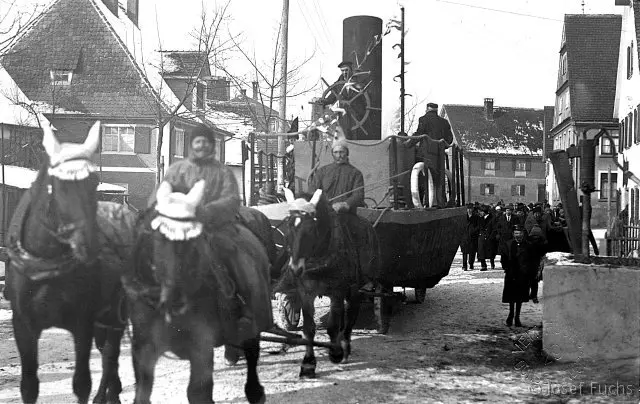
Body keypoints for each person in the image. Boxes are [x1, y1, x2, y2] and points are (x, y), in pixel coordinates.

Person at [149, 124, 270, 342]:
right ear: (191, 145)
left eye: (206, 141)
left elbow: (232, 199)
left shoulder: (221, 171)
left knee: (237, 259)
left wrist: (207, 211)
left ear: (212, 145)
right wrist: (154, 210)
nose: (202, 145)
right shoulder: (178, 170)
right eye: (198, 141)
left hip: (216, 227)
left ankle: (245, 306)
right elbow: (161, 193)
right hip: (179, 226)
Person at [309, 137, 376, 292]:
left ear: (347, 153)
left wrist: (345, 204)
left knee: (364, 232)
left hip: (346, 217)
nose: (339, 155)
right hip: (325, 216)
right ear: (332, 153)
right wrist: (321, 204)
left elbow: (358, 195)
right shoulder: (322, 172)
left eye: (342, 152)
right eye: (336, 152)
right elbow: (314, 193)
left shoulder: (355, 173)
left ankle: (365, 277)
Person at [403, 103, 454, 208]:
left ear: (427, 109)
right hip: (439, 155)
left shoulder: (423, 119)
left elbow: (419, 134)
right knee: (439, 179)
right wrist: (440, 146)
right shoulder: (444, 122)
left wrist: (407, 144)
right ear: (436, 110)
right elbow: (449, 139)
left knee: (422, 178)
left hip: (425, 154)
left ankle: (422, 204)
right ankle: (440, 203)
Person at [319, 61, 365, 139]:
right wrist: (324, 101)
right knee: (344, 133)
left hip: (356, 112)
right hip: (343, 114)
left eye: (346, 70)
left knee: (355, 135)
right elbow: (332, 97)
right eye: (342, 70)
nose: (344, 72)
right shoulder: (339, 84)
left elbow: (364, 96)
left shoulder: (358, 82)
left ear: (351, 70)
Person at [500, 225, 534, 327]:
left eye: (520, 233)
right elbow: (504, 258)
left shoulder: (528, 245)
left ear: (523, 234)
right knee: (511, 296)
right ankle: (510, 315)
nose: (518, 235)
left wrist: (528, 270)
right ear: (513, 234)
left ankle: (517, 317)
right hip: (511, 273)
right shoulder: (508, 244)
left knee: (520, 297)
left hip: (523, 275)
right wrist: (506, 268)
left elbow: (531, 259)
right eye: (516, 233)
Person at [495, 204, 520, 271]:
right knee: (504, 253)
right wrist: (499, 233)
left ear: (511, 211)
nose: (508, 212)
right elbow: (498, 227)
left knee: (511, 252)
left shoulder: (515, 218)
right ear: (505, 211)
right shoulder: (501, 218)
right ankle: (504, 265)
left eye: (509, 210)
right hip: (503, 238)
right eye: (507, 210)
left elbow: (517, 227)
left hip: (512, 238)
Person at [477, 205, 497, 271]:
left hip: (489, 236)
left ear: (485, 212)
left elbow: (494, 228)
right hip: (481, 236)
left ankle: (492, 263)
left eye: (481, 211)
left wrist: (491, 236)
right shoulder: (479, 218)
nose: (480, 213)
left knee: (490, 251)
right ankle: (483, 265)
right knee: (481, 251)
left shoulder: (492, 218)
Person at [461, 203, 480, 271]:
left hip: (473, 237)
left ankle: (471, 263)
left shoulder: (476, 217)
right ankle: (464, 265)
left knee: (472, 251)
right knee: (464, 252)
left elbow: (478, 226)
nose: (469, 210)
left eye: (470, 209)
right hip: (464, 237)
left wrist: (474, 231)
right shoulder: (463, 217)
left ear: (472, 209)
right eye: (468, 209)